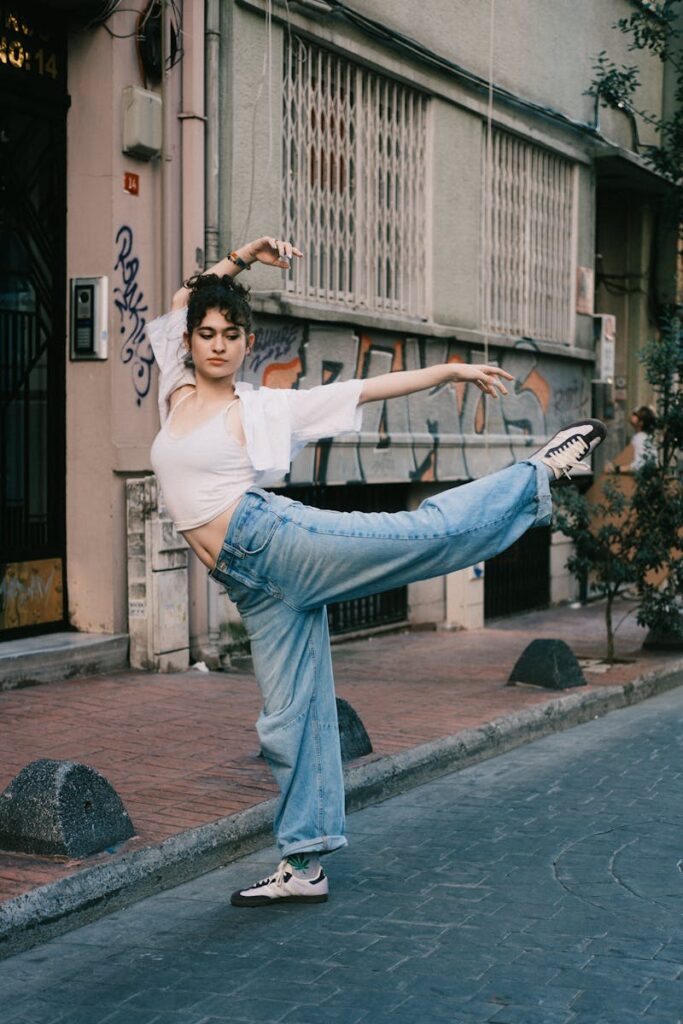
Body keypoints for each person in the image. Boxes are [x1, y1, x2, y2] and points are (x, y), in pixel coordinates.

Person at [148, 236, 607, 907]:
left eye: (231, 335)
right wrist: (242, 256)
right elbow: (183, 298)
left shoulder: (262, 408)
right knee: (290, 719)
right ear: (190, 342)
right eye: (207, 334)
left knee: (412, 535)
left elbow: (362, 386)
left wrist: (446, 372)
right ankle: (305, 867)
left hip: (273, 541)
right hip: (252, 587)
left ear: (248, 344)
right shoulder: (176, 385)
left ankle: (538, 473)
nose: (216, 344)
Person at [611, 406, 656, 474]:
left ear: (641, 422)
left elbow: (639, 465)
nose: (632, 415)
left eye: (635, 415)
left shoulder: (640, 438)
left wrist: (617, 469)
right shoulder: (642, 437)